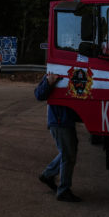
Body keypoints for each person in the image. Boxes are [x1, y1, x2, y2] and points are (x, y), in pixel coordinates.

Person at [35, 73, 82, 202]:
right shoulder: (54, 72)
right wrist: (49, 82)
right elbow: (39, 94)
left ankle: (48, 175)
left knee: (68, 152)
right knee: (68, 155)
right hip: (59, 121)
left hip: (66, 121)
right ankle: (63, 190)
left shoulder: (72, 72)